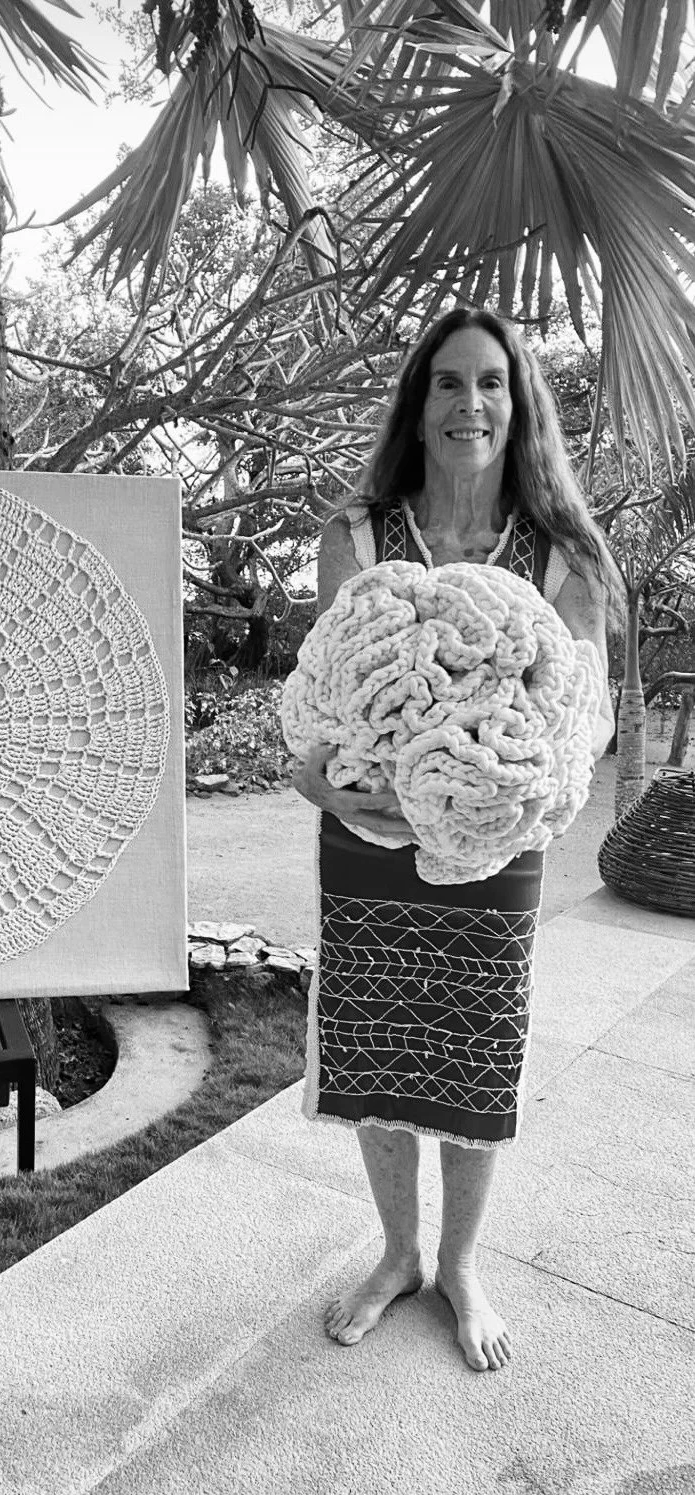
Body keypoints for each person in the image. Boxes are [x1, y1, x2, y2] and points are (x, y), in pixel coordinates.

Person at [290, 308, 621, 1372]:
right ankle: (397, 1253)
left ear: (517, 406)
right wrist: (319, 782)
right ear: (417, 401)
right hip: (365, 842)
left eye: (489, 383)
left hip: (498, 851)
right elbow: (327, 696)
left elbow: (587, 719)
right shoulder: (355, 537)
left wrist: (514, 793)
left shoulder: (560, 555)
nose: (467, 403)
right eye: (445, 382)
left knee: (477, 1050)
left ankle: (461, 1263)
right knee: (378, 1043)